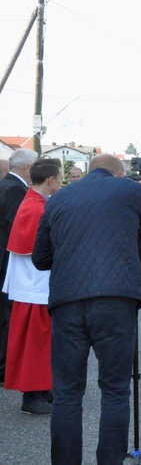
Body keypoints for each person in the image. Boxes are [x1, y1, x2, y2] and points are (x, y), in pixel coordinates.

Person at [32, 153, 141, 464]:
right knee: (114, 389)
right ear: (118, 174)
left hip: (67, 302)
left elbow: (40, 258)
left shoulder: (59, 198)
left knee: (68, 394)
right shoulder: (129, 190)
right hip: (115, 301)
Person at [3, 158, 62, 415]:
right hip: (35, 285)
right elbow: (41, 248)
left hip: (34, 284)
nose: (62, 182)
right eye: (60, 178)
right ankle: (31, 396)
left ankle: (42, 387)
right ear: (51, 180)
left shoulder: (34, 202)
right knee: (35, 343)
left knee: (41, 341)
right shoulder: (36, 208)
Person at [0, 148, 37, 386]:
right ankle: (3, 368)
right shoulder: (15, 189)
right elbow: (18, 228)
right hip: (6, 262)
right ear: (27, 168)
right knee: (6, 317)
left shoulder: (6, 185)